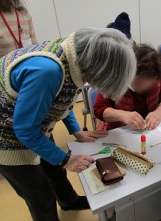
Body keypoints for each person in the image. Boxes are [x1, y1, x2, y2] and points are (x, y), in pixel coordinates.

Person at [0, 27, 137, 221]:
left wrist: (76, 131)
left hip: (31, 122)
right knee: (40, 194)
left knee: (54, 170)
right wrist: (67, 160)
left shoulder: (74, 54)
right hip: (6, 135)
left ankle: (69, 202)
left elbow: (63, 98)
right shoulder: (48, 71)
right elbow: (24, 130)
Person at [94, 44, 161, 131]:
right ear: (129, 74)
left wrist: (159, 112)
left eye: (150, 84)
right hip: (118, 131)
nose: (145, 87)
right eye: (139, 83)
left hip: (146, 130)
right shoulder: (114, 81)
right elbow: (99, 109)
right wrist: (122, 115)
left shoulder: (155, 77)